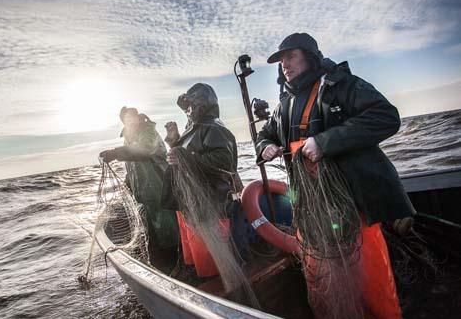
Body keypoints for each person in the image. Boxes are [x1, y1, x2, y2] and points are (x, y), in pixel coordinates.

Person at [256, 33, 416, 318]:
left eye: (290, 56)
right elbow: (263, 135)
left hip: (352, 204)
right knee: (323, 277)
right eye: (281, 60)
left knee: (370, 279)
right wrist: (266, 146)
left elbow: (386, 116)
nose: (284, 65)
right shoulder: (284, 105)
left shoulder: (340, 84)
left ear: (309, 55)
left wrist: (325, 142)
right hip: (310, 209)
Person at [161, 83, 243, 277]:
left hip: (211, 200)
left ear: (201, 104)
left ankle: (215, 281)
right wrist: (174, 142)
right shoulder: (194, 128)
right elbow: (187, 153)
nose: (187, 111)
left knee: (211, 255)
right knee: (196, 248)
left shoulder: (214, 128)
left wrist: (184, 157)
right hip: (191, 200)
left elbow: (225, 161)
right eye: (185, 107)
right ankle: (198, 272)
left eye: (190, 106)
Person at [100, 107, 178, 265]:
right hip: (142, 193)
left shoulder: (148, 133)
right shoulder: (127, 139)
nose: (130, 120)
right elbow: (132, 168)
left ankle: (177, 258)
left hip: (159, 187)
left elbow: (145, 149)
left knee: (167, 226)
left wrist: (115, 153)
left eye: (133, 117)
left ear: (138, 118)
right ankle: (160, 261)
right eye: (126, 118)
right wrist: (127, 186)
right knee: (151, 230)